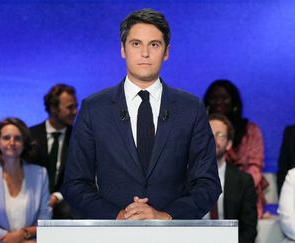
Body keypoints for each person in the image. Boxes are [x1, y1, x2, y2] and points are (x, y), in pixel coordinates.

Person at [61, 8, 221, 220]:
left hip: (173, 235)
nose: (144, 53)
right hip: (112, 235)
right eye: (136, 44)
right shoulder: (94, 108)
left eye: (154, 45)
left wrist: (165, 216)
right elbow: (74, 184)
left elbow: (208, 184)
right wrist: (118, 216)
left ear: (166, 52)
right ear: (123, 50)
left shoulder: (190, 108)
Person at [0, 118, 52, 243]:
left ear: (24, 143)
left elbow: (45, 218)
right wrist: (11, 240)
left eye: (18, 138)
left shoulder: (40, 174)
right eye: (6, 138)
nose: (12, 142)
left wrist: (23, 234)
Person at [203, 79, 268, 218]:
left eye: (224, 98)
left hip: (244, 190)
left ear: (233, 102)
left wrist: (236, 187)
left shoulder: (251, 131)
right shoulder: (199, 129)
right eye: (214, 98)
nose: (219, 102)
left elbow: (255, 168)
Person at [29, 84, 78, 219]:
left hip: (63, 203)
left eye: (75, 106)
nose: (75, 111)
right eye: (70, 107)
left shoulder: (79, 138)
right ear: (53, 108)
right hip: (30, 199)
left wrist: (56, 196)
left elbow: (82, 178)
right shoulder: (29, 136)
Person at [206, 113, 257, 243]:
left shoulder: (243, 181)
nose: (213, 139)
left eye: (220, 135)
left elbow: (249, 230)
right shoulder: (182, 177)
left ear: (229, 144)